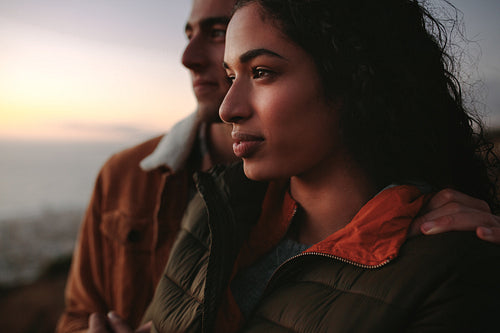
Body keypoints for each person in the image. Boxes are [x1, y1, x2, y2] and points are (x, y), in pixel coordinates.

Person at [57, 0, 500, 332]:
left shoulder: (447, 267)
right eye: (232, 76)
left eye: (263, 72)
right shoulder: (213, 211)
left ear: (356, 77)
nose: (229, 107)